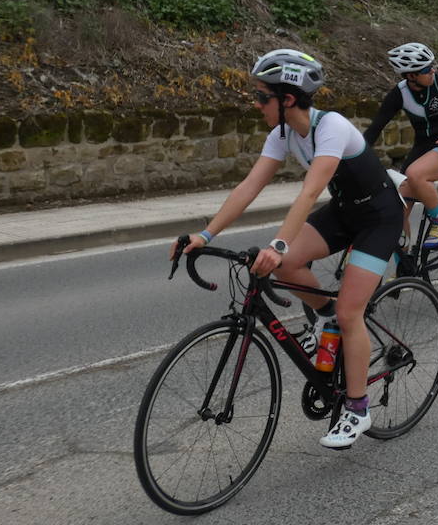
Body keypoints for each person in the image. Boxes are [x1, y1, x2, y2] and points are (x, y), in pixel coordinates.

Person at [169, 48, 403, 450]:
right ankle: (325, 318)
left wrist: (277, 243)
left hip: (379, 217)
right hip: (344, 212)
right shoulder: (281, 135)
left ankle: (358, 406)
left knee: (351, 312)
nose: (256, 104)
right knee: (284, 267)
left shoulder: (331, 128)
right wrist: (205, 236)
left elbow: (311, 189)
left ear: (287, 99)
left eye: (262, 97)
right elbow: (249, 186)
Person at [363, 42, 438, 249]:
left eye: (432, 65)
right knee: (395, 216)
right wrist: (354, 156)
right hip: (421, 150)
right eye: (426, 69)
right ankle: (405, 269)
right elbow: (375, 128)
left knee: (416, 174)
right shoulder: (398, 94)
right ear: (411, 76)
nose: (433, 70)